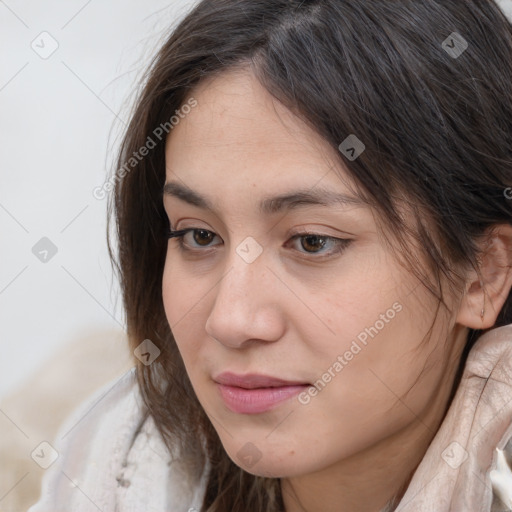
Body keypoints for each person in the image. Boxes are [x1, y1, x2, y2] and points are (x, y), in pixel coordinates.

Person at [28, 0, 512, 511]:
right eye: (198, 236)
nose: (230, 321)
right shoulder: (114, 469)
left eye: (312, 242)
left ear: (483, 273)